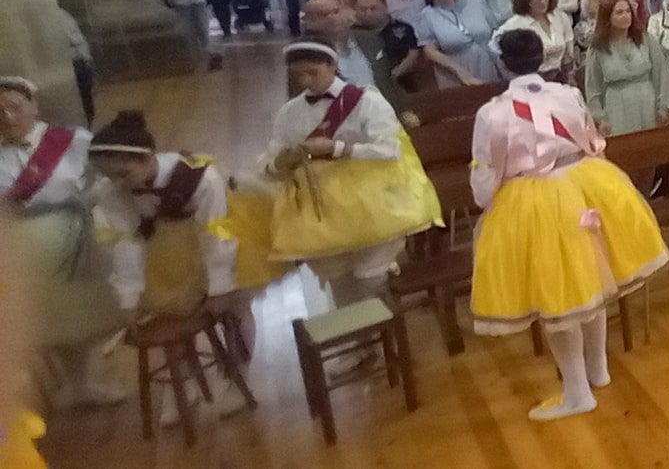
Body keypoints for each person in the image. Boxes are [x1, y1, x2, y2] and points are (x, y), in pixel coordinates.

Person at [468, 30, 669, 421]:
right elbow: (594, 141)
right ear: (541, 58)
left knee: (558, 294)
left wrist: (490, 201)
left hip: (535, 198)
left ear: (503, 64)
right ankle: (597, 369)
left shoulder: (492, 112)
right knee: (590, 277)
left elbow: (485, 173)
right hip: (587, 181)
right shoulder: (566, 94)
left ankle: (577, 391)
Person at [259, 42, 440, 308]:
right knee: (337, 277)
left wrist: (339, 148)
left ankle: (388, 332)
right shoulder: (290, 112)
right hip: (320, 202)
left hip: (369, 198)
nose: (307, 81)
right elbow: (271, 156)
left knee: (371, 276)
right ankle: (360, 340)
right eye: (299, 75)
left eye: (313, 72)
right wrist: (279, 163)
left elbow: (390, 149)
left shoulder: (366, 101)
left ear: (332, 66)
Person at [88, 111, 283, 352]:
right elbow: (127, 242)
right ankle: (188, 367)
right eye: (108, 176)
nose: (117, 183)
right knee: (172, 309)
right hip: (167, 246)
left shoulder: (200, 178)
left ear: (148, 157)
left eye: (123, 174)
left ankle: (240, 365)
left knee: (236, 307)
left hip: (223, 236)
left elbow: (217, 233)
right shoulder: (114, 192)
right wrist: (128, 297)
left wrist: (220, 287)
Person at [1, 77, 124, 407]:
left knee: (81, 314)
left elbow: (106, 180)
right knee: (44, 320)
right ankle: (70, 383)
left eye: (15, 107)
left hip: (75, 237)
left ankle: (84, 380)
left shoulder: (72, 141)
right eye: (0, 111)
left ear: (34, 106)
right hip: (22, 246)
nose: (8, 117)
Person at [583, 0, 669, 136]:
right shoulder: (598, 48)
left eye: (628, 11)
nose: (625, 16)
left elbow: (660, 73)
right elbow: (593, 87)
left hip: (647, 101)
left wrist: (663, 106)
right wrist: (600, 118)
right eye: (619, 13)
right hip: (617, 106)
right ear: (607, 18)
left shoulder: (645, 39)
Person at [416, 0, 498, 87]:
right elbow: (430, 50)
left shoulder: (473, 0)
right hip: (456, 68)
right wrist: (458, 70)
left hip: (487, 61)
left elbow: (494, 28)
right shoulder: (427, 15)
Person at [350, 0, 423, 103]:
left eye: (373, 8)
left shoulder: (403, 27)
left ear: (385, 6)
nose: (368, 13)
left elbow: (413, 54)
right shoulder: (353, 35)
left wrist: (396, 73)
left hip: (404, 81)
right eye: (363, 9)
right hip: (369, 88)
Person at [494, 0, 575, 81]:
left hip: (558, 76)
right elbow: (497, 49)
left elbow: (568, 48)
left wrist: (570, 75)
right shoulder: (515, 23)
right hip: (531, 80)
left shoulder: (560, 17)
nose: (543, 2)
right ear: (527, 1)